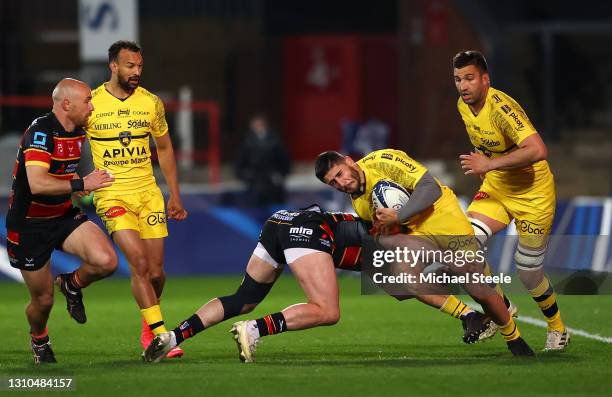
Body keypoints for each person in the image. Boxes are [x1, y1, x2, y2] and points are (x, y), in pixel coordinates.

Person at [143, 206, 521, 364]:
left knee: (243, 297)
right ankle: (253, 330)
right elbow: (419, 280)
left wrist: (470, 310)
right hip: (309, 230)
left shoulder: (391, 244)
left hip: (281, 221)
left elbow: (407, 285)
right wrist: (475, 309)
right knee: (327, 310)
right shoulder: (403, 242)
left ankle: (171, 338)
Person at [315, 149, 534, 356]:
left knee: (474, 284)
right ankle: (469, 316)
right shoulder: (360, 205)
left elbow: (430, 188)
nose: (341, 183)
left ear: (349, 161)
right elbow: (388, 231)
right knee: (402, 279)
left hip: (440, 215)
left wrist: (398, 217)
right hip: (415, 232)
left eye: (340, 174)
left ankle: (512, 336)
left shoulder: (384, 160)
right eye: (333, 182)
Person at [452, 50, 569, 350]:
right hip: (499, 187)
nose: (463, 86)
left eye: (469, 78)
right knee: (464, 244)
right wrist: (489, 163)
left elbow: (538, 149)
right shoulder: (463, 106)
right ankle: (502, 306)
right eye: (457, 79)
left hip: (534, 194)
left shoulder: (502, 107)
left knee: (528, 273)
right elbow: (487, 144)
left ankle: (557, 329)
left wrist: (489, 164)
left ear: (485, 79)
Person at [85, 40, 188, 358]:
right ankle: (160, 336)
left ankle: (147, 331)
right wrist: (75, 182)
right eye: (130, 66)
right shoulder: (90, 103)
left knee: (156, 273)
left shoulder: (151, 103)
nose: (136, 72)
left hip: (148, 194)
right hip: (112, 193)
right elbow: (66, 138)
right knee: (139, 264)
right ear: (113, 66)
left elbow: (166, 148)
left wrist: (175, 194)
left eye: (140, 66)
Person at [5, 78, 118, 364]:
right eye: (87, 102)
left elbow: (79, 174)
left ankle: (71, 284)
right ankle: (39, 338)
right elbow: (38, 183)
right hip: (29, 224)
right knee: (43, 301)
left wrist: (87, 186)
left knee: (106, 262)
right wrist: (82, 183)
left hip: (62, 215)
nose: (92, 107)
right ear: (66, 104)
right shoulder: (41, 131)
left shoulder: (80, 130)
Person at [235, 115, 291, 208]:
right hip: (254, 181)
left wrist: (281, 174)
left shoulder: (275, 141)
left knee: (275, 204)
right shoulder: (247, 142)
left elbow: (284, 159)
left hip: (272, 181)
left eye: (260, 125)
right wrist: (244, 175)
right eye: (255, 125)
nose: (258, 127)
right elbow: (240, 162)